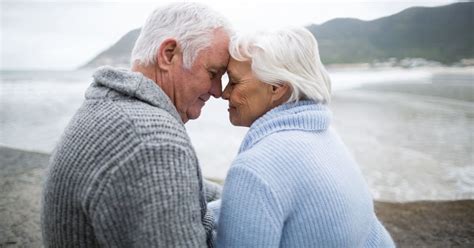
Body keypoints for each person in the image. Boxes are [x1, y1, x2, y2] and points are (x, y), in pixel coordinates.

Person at [41, 3, 231, 247]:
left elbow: (188, 189)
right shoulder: (152, 142)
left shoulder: (110, 107)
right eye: (213, 72)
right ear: (169, 54)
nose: (218, 91)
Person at [208, 27, 395, 247]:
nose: (224, 93)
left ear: (277, 88)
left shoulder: (256, 169)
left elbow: (260, 189)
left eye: (234, 81)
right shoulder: (325, 138)